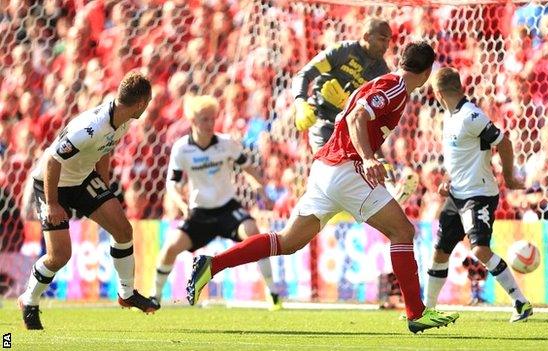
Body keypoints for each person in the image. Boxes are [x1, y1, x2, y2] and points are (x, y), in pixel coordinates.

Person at [187, 42, 460, 334]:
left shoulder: (382, 84)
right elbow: (356, 118)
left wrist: (372, 156)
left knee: (288, 242)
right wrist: (368, 158)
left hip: (325, 169)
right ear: (427, 70)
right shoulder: (395, 88)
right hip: (347, 169)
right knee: (403, 232)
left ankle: (211, 265)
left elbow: (352, 119)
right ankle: (415, 313)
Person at [18, 71, 159, 330]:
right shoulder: (90, 127)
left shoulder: (124, 119)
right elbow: (52, 160)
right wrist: (52, 204)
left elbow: (105, 150)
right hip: (52, 183)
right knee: (59, 256)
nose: (147, 107)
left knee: (123, 230)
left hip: (82, 180)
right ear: (140, 103)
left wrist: (103, 189)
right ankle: (29, 300)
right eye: (148, 103)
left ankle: (126, 294)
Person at [151, 95, 281, 310]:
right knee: (169, 248)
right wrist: (181, 203)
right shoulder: (182, 149)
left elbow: (248, 167)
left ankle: (273, 294)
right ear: (193, 121)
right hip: (199, 212)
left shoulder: (226, 143)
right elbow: (172, 184)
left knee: (254, 234)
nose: (211, 124)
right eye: (205, 119)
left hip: (227, 208)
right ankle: (154, 297)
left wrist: (258, 185)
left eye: (213, 119)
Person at [424, 67, 533, 322]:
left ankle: (521, 303)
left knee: (480, 249)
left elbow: (503, 142)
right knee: (440, 251)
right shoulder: (450, 117)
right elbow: (460, 158)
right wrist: (446, 182)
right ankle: (425, 309)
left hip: (479, 193)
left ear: (439, 93)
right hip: (457, 194)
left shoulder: (471, 115)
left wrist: (508, 177)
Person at [292, 18, 391, 153]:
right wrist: (300, 103)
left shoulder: (382, 72)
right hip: (322, 119)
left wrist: (346, 104)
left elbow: (376, 114)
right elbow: (304, 75)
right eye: (382, 39)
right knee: (325, 165)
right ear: (366, 36)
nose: (386, 46)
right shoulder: (342, 52)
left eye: (388, 41)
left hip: (350, 127)